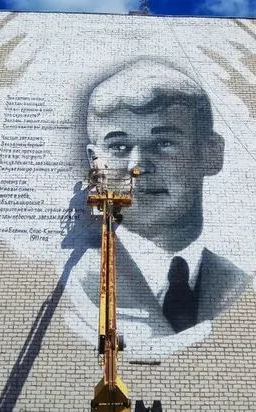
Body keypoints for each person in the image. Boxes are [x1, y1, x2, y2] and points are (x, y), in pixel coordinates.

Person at [67, 59, 246, 341]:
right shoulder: (80, 278)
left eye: (163, 143)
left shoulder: (234, 280)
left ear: (210, 154)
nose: (137, 166)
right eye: (119, 146)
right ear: (95, 164)